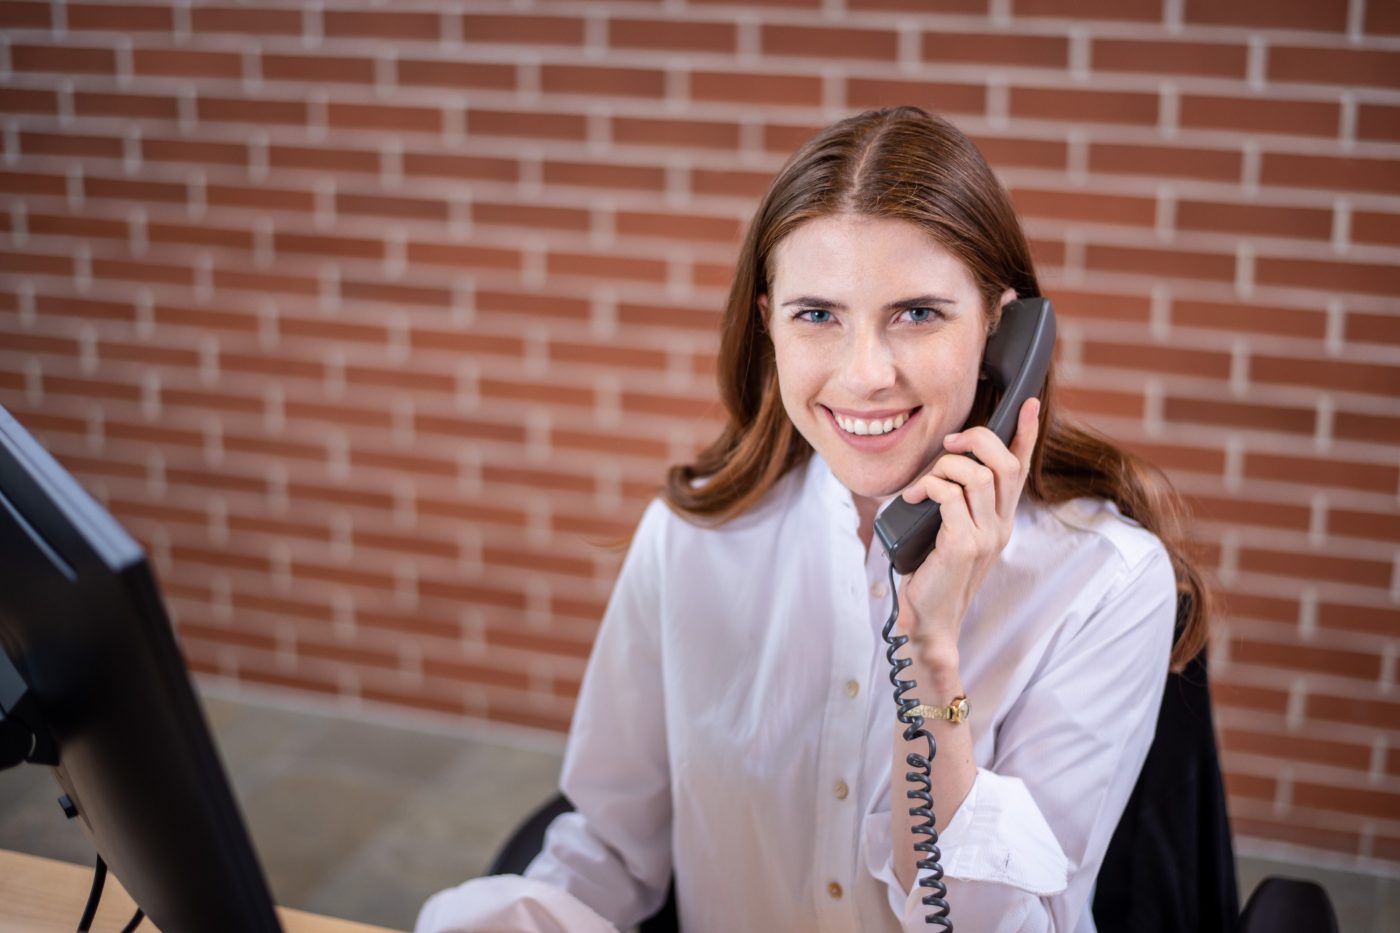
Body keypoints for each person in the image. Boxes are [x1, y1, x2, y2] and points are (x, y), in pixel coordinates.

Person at [416, 106, 1209, 933]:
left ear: (1003, 333)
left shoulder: (1107, 582)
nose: (865, 375)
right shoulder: (692, 536)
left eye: (918, 313)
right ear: (768, 323)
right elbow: (613, 849)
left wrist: (932, 661)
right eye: (818, 315)